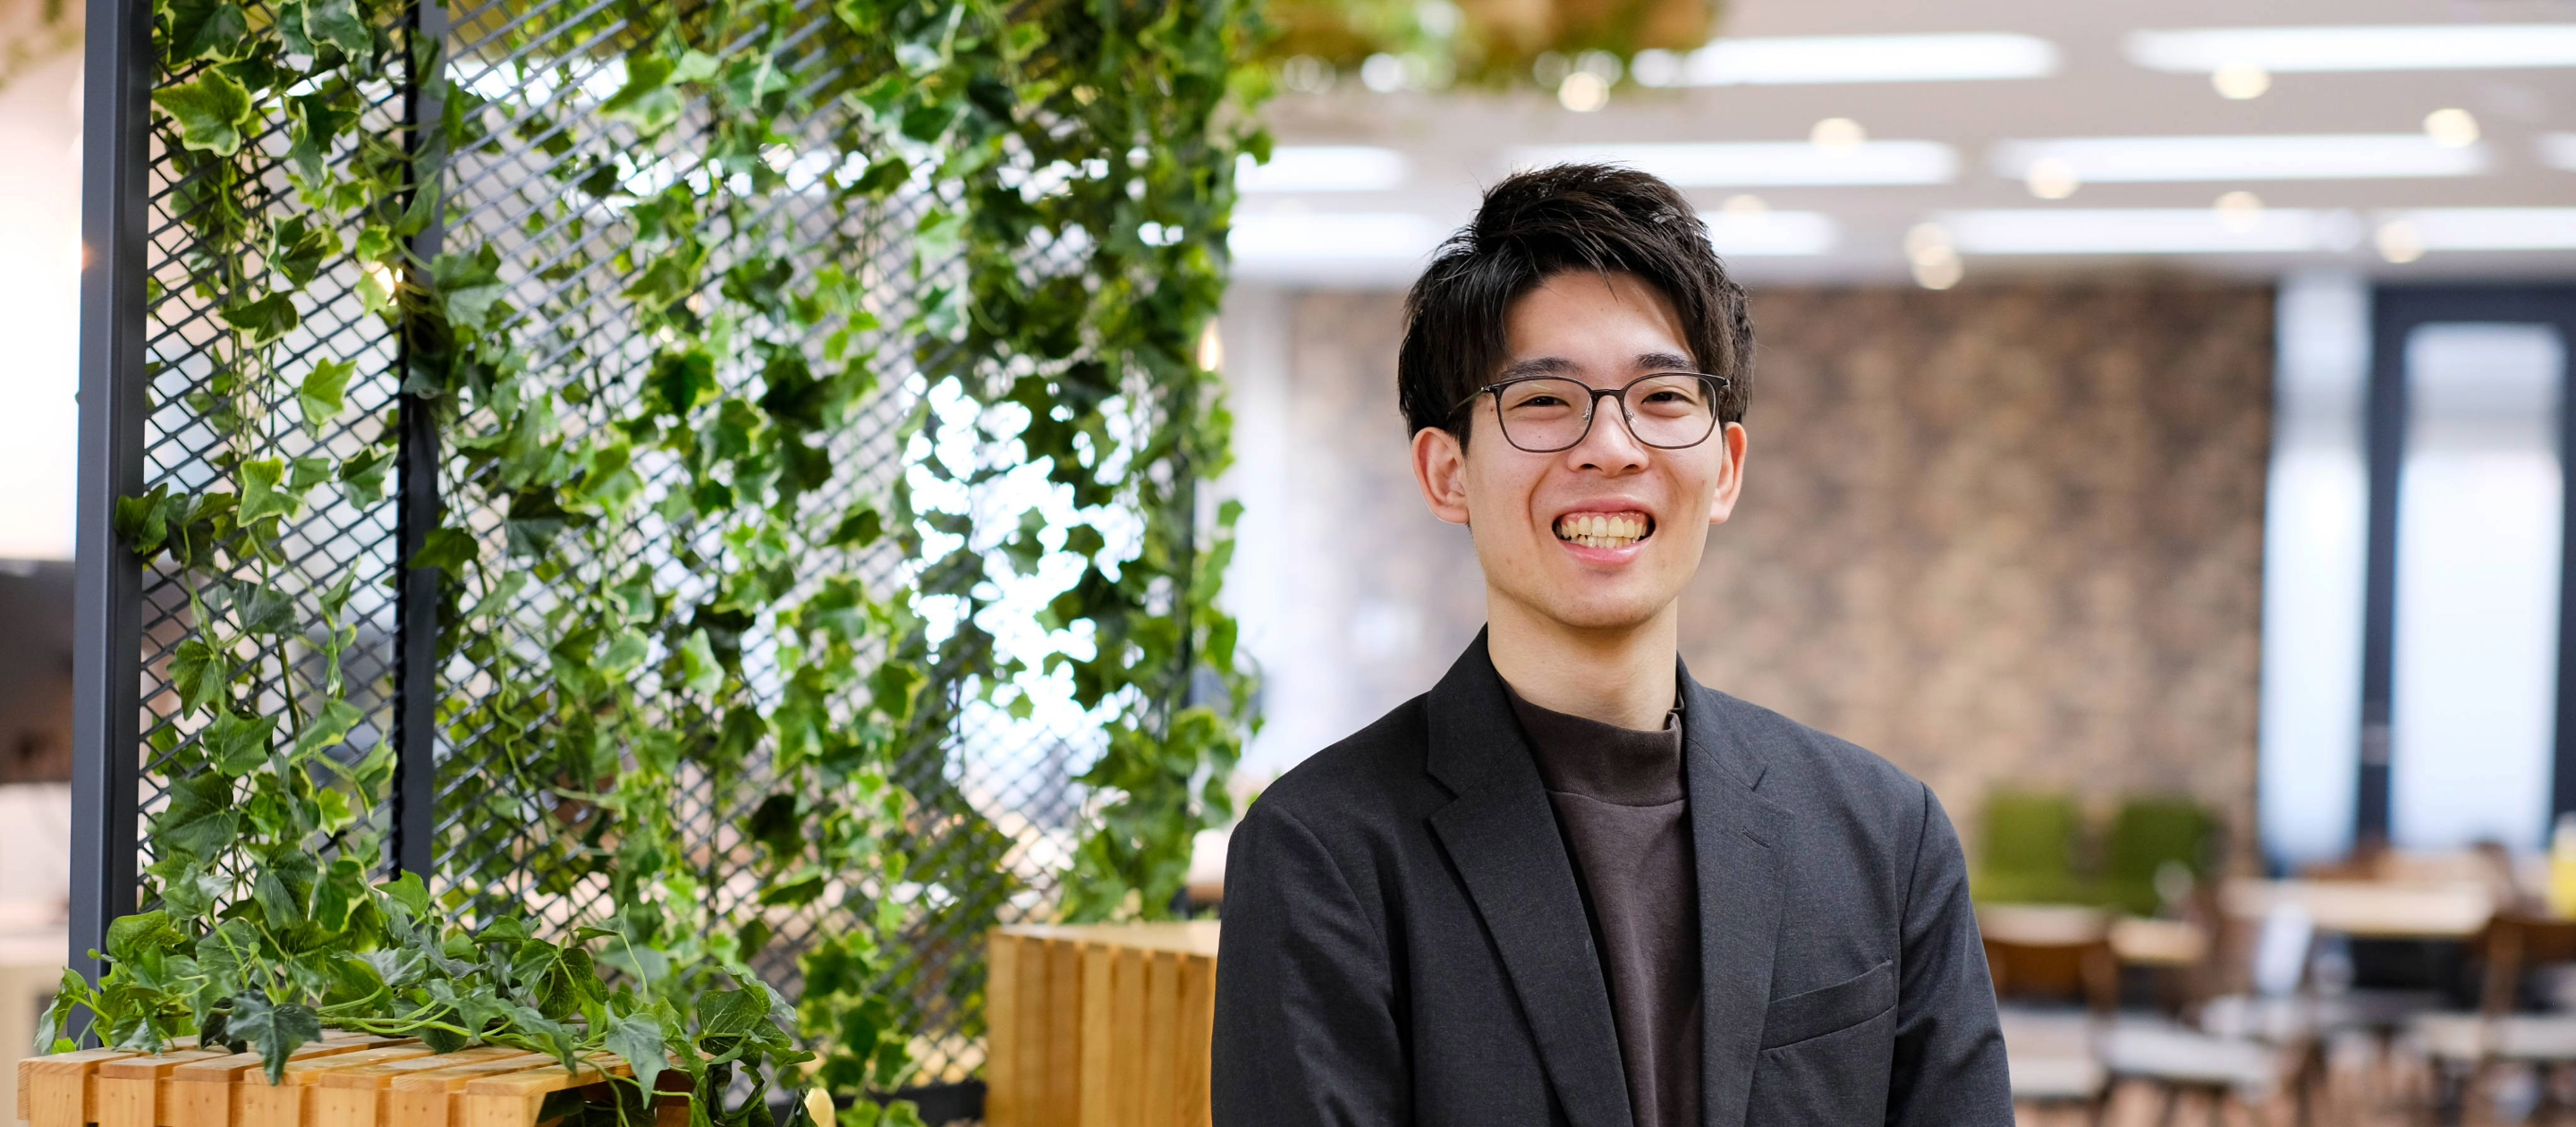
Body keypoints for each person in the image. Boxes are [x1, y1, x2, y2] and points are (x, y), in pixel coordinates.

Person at [1209, 164, 2012, 1126]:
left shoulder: (1884, 835)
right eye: (1544, 401)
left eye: (1663, 397)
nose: (1612, 446)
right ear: (1448, 472)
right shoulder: (1323, 850)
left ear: (1726, 467)